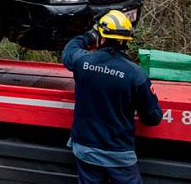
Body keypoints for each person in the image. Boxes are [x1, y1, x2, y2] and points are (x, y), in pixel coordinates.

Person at [63, 10, 163, 184]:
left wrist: (89, 34)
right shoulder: (136, 75)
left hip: (86, 150)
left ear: (101, 38)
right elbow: (153, 118)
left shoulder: (83, 63)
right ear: (126, 41)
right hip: (119, 154)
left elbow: (70, 50)